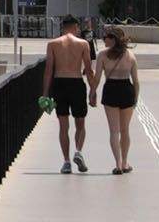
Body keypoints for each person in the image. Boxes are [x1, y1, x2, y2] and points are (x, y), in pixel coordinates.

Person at [43, 15, 94, 173]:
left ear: (63, 27)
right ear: (75, 27)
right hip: (76, 83)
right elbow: (88, 69)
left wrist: (45, 94)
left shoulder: (53, 44)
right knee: (81, 123)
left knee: (63, 126)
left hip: (59, 84)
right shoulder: (83, 43)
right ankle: (78, 151)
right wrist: (93, 90)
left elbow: (48, 70)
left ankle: (66, 162)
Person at [93, 25, 141, 174]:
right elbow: (136, 81)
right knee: (125, 130)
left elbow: (97, 77)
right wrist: (136, 99)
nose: (103, 40)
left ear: (112, 39)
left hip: (111, 90)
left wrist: (92, 92)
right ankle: (125, 162)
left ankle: (118, 164)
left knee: (114, 131)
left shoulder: (102, 55)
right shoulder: (130, 56)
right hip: (127, 89)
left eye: (105, 38)